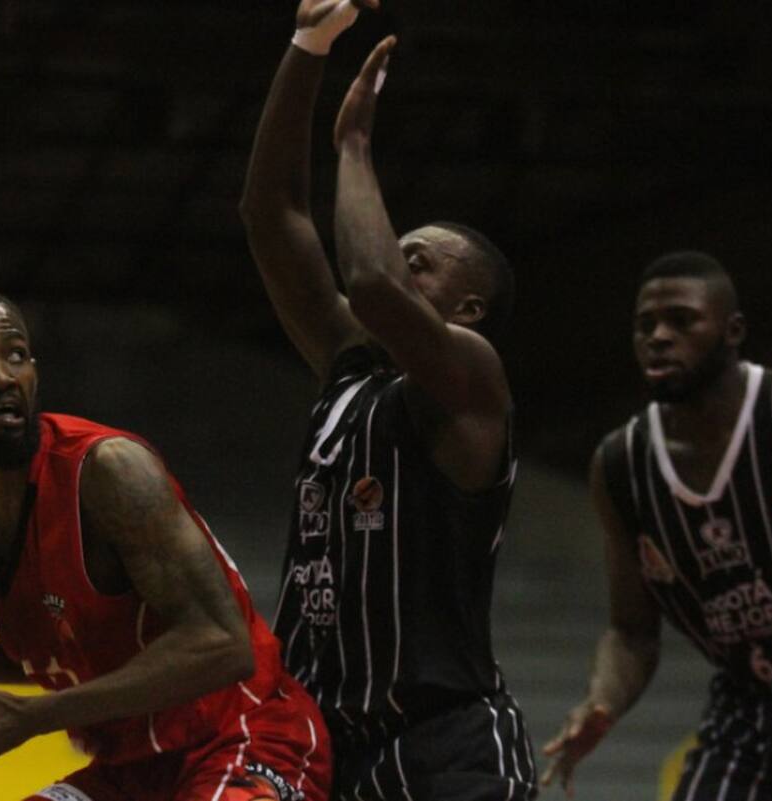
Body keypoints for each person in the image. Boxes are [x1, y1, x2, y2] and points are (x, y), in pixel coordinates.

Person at [0, 288, 332, 801]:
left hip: (245, 735)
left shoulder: (109, 471)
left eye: (16, 355)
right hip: (128, 771)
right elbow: (66, 651)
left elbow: (223, 647)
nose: (2, 377)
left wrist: (32, 718)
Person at [238, 4, 535, 800]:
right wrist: (308, 48)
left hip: (445, 744)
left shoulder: (472, 380)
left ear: (467, 310)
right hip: (323, 742)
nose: (398, 263)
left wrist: (356, 146)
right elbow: (272, 217)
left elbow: (370, 282)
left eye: (423, 263)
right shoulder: (351, 370)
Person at [541, 251, 772, 799]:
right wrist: (601, 701)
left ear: (732, 331)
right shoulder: (621, 464)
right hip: (752, 717)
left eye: (681, 321)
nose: (659, 336)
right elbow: (632, 630)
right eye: (645, 326)